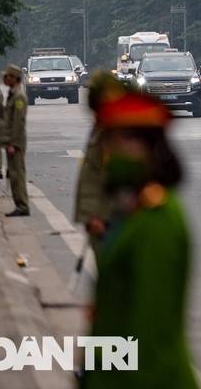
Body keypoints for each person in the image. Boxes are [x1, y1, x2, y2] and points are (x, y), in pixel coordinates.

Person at [81, 86, 199, 389]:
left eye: (115, 142)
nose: (107, 155)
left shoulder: (156, 220)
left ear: (142, 146)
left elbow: (150, 336)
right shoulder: (130, 212)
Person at [75, 72, 127, 266]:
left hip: (107, 220)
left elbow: (112, 179)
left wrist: (100, 216)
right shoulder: (101, 126)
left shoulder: (113, 132)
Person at [0, 64, 29, 217]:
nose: (5, 79)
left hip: (15, 143)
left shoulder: (18, 96)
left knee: (17, 175)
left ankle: (22, 206)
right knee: (14, 174)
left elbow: (18, 123)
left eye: (8, 76)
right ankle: (20, 204)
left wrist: (13, 144)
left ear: (15, 78)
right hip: (11, 142)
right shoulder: (13, 94)